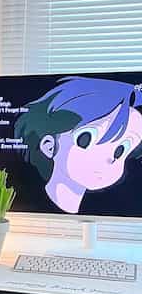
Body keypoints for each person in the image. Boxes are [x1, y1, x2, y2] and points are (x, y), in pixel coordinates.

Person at [14, 76, 142, 214]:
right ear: (49, 146)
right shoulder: (27, 201)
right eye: (85, 139)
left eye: (121, 150)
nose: (110, 159)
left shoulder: (113, 208)